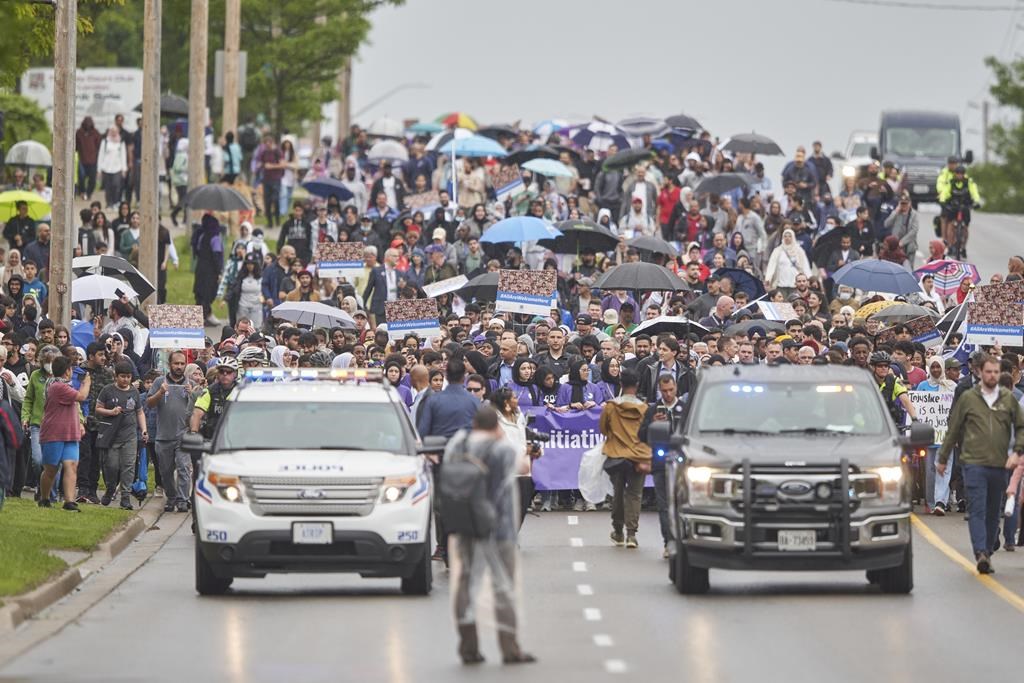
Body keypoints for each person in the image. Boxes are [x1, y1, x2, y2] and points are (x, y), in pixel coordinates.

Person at [446, 406, 536, 665]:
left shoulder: (458, 444)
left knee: (465, 584)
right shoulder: (502, 450)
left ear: (474, 424)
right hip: (500, 527)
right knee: (504, 587)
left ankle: (468, 647)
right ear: (497, 427)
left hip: (466, 523)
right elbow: (521, 468)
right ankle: (510, 649)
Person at [938, 354, 1024, 574]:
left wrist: (1017, 452)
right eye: (988, 372)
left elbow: (1021, 427)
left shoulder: (1009, 399)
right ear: (980, 373)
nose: (992, 375)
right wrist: (943, 457)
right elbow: (954, 428)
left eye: (996, 372)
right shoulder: (968, 398)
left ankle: (988, 547)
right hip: (973, 463)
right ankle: (981, 552)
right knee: (977, 507)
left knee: (993, 510)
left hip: (999, 464)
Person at [417, 358, 480, 562]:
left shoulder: (435, 400)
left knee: (441, 505)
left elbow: (423, 432)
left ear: (445, 376)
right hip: (467, 459)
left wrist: (429, 452)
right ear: (464, 377)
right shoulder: (473, 401)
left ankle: (443, 546)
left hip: (441, 459)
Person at [638, 374, 689, 558]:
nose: (668, 394)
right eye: (664, 391)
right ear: (659, 390)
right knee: (663, 505)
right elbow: (641, 435)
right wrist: (653, 424)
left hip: (682, 464)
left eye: (671, 390)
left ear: (676, 388)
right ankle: (668, 542)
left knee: (681, 503)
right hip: (660, 463)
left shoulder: (685, 409)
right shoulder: (653, 410)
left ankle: (684, 540)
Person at [599, 369, 650, 549]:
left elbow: (604, 429)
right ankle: (632, 534)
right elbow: (647, 433)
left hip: (617, 454)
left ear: (621, 384)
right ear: (636, 385)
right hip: (638, 455)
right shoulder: (644, 408)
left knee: (618, 493)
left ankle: (618, 530)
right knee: (635, 494)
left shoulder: (611, 406)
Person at [37, 356, 91, 511]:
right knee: (51, 469)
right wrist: (86, 382)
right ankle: (44, 498)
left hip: (70, 432)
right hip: (54, 433)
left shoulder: (65, 385)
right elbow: (81, 396)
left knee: (71, 465)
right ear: (67, 371)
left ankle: (69, 501)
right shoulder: (57, 386)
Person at [94, 360, 147, 509]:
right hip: (111, 435)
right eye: (122, 376)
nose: (125, 380)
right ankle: (110, 488)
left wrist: (143, 429)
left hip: (130, 435)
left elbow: (139, 411)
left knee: (128, 466)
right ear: (116, 377)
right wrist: (111, 412)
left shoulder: (134, 392)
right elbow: (98, 408)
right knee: (111, 465)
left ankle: (125, 497)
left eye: (128, 377)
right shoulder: (107, 390)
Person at [146, 350, 193, 513]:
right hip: (163, 436)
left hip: (183, 436)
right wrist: (160, 392)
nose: (179, 367)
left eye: (182, 363)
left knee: (183, 468)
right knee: (165, 471)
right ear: (169, 365)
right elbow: (149, 403)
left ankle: (183, 499)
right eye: (176, 363)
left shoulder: (190, 383)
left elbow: (199, 409)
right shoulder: (160, 382)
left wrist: (192, 395)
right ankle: (171, 497)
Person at [938, 165, 981, 257]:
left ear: (964, 174)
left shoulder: (969, 182)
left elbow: (974, 192)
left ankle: (963, 247)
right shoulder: (951, 182)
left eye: (961, 174)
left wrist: (976, 201)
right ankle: (950, 246)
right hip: (953, 206)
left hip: (965, 206)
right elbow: (945, 193)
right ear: (955, 174)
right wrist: (943, 201)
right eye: (957, 173)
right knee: (950, 225)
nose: (959, 175)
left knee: (965, 227)